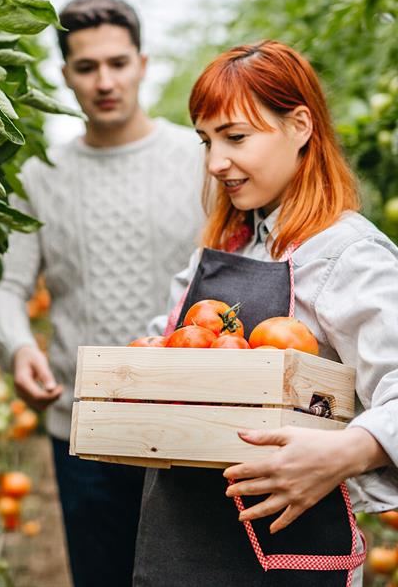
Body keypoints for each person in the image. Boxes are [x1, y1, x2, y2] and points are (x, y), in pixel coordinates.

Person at [133, 40, 398, 587]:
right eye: (206, 141)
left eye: (235, 137)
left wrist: (342, 454)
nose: (215, 162)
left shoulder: (344, 254)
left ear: (299, 126)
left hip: (288, 558)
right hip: (183, 542)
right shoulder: (224, 250)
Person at [0, 0, 206, 587]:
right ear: (65, 75)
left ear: (143, 63)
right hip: (86, 424)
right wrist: (18, 348)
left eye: (117, 62)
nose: (104, 81)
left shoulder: (199, 159)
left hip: (192, 418)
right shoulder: (40, 175)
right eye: (86, 67)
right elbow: (4, 286)